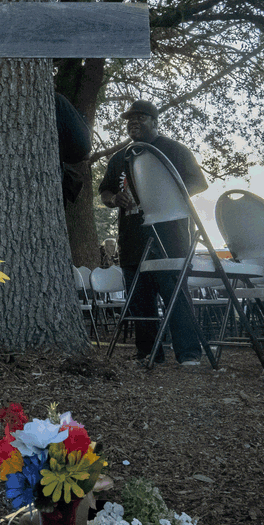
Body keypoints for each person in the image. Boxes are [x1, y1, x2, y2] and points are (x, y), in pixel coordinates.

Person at [97, 100, 208, 366]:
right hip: (133, 238)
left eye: (141, 117)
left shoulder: (174, 150)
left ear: (156, 121)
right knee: (139, 299)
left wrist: (163, 198)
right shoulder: (120, 157)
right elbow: (105, 191)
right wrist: (114, 200)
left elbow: (197, 183)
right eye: (129, 119)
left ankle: (188, 353)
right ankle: (148, 352)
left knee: (175, 294)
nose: (133, 122)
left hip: (170, 237)